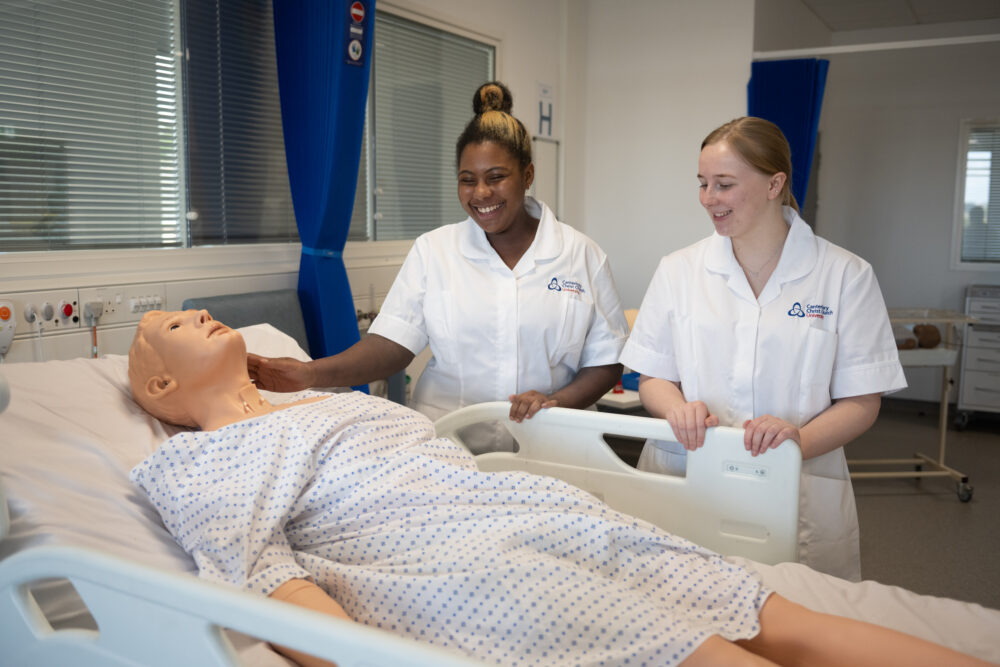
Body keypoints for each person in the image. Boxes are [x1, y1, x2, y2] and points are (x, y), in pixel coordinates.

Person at [127, 309, 991, 667]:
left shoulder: (327, 403)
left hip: (541, 511)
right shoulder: (196, 460)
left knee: (778, 616)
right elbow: (264, 577)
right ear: (159, 386)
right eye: (169, 323)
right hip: (467, 568)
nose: (194, 312)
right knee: (708, 654)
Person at [248, 82, 628, 452]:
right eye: (468, 180)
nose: (481, 193)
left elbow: (606, 361)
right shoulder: (435, 251)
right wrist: (310, 373)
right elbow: (392, 346)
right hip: (450, 446)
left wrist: (556, 402)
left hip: (553, 446)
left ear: (527, 175)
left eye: (496, 177)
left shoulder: (581, 256)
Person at [620, 117, 906, 582]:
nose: (708, 198)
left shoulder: (844, 275)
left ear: (775, 184)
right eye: (703, 183)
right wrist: (677, 409)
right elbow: (654, 376)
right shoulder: (679, 270)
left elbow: (862, 400)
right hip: (689, 475)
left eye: (724, 184)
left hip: (795, 488)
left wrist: (797, 443)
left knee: (796, 612)